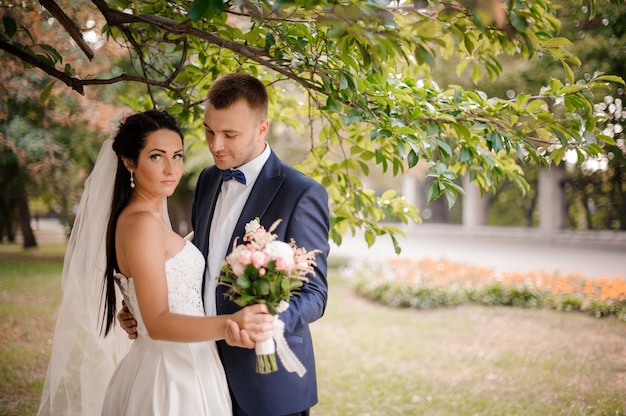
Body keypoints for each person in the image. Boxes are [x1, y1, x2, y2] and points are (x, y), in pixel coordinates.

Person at [38, 110, 274, 416]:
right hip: (170, 376)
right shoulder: (141, 224)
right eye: (156, 157)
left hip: (190, 364)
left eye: (177, 156)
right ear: (128, 161)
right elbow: (158, 321)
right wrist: (232, 324)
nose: (171, 169)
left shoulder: (145, 218)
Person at [120, 73, 331, 415]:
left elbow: (315, 294)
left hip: (267, 382)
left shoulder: (301, 193)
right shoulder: (207, 179)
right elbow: (195, 264)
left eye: (230, 134)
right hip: (199, 371)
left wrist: (269, 321)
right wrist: (142, 307)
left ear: (262, 128)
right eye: (208, 131)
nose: (215, 145)